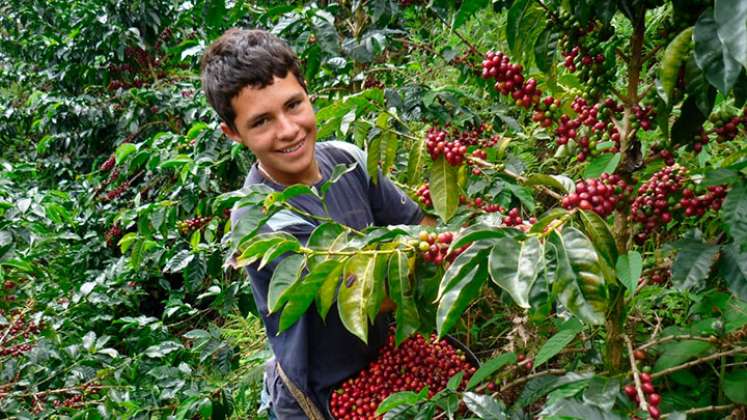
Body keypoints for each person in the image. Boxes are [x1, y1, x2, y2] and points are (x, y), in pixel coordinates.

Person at [200, 28, 435, 419]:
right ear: (233, 133)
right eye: (261, 122)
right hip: (318, 401)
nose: (288, 130)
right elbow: (368, 297)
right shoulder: (259, 219)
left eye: (293, 105)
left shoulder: (349, 159)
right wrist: (449, 251)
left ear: (309, 93)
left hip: (379, 370)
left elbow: (418, 223)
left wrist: (462, 238)